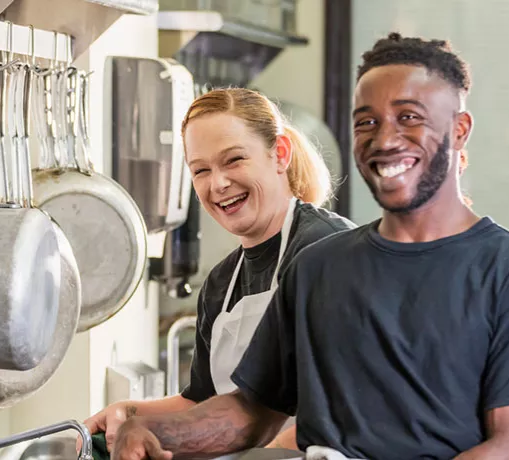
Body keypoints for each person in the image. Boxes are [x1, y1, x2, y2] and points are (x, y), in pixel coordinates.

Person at [109, 33, 509, 460]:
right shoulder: (318, 268)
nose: (384, 140)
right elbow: (251, 412)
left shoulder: (508, 273)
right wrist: (154, 432)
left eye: (409, 117)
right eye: (367, 122)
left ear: (459, 130)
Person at [82, 87, 355, 453]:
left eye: (234, 160)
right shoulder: (222, 282)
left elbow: (341, 407)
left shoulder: (327, 250)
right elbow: (203, 401)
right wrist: (130, 412)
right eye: (201, 170)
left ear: (280, 154)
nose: (218, 184)